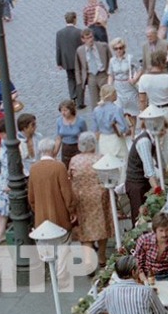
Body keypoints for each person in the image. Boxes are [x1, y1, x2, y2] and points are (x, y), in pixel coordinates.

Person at [28, 138, 76, 288]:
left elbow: (31, 197)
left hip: (41, 216)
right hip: (59, 214)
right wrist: (71, 210)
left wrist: (37, 210)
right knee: (63, 245)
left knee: (47, 244)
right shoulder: (59, 167)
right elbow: (67, 193)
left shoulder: (34, 169)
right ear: (53, 150)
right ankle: (61, 275)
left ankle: (51, 271)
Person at [69, 131, 112, 266]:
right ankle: (102, 257)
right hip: (99, 197)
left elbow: (70, 178)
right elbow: (108, 177)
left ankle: (88, 261)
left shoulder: (74, 160)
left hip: (81, 198)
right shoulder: (100, 158)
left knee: (85, 229)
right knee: (102, 226)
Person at [137, 49, 168, 165]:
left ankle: (160, 167)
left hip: (153, 111)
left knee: (157, 141)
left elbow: (142, 99)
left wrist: (142, 115)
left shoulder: (144, 78)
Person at [133, 211, 168, 283]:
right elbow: (137, 264)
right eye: (161, 230)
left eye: (167, 230)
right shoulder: (144, 240)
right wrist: (145, 281)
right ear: (155, 230)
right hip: (148, 275)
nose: (164, 234)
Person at [106, 39, 140, 131]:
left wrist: (135, 79)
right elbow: (110, 75)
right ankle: (126, 128)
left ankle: (133, 132)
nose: (118, 50)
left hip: (128, 86)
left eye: (120, 48)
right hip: (118, 87)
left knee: (132, 111)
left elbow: (140, 69)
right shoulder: (112, 61)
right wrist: (109, 87)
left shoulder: (130, 58)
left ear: (124, 48)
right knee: (120, 110)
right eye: (116, 49)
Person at [55, 12, 85, 110]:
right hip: (78, 60)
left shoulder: (59, 33)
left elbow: (58, 48)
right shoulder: (79, 32)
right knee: (79, 79)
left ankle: (73, 96)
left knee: (70, 78)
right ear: (75, 19)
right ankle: (80, 101)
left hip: (66, 61)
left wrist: (59, 62)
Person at [76, 29, 110, 111]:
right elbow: (77, 67)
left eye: (91, 37)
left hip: (103, 75)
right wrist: (79, 81)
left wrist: (110, 74)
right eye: (87, 38)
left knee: (107, 98)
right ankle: (97, 116)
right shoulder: (80, 50)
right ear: (83, 39)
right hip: (91, 77)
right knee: (94, 102)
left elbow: (110, 60)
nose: (90, 40)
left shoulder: (103, 46)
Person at [91, 85, 128, 159]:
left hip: (103, 139)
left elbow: (95, 129)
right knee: (121, 161)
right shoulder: (116, 109)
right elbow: (123, 128)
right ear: (111, 95)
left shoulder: (96, 110)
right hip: (115, 139)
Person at [53, 99, 87, 166]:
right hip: (66, 148)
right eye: (61, 110)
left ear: (71, 110)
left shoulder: (80, 121)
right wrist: (54, 153)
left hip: (77, 147)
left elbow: (85, 137)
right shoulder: (59, 121)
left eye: (65, 110)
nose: (63, 113)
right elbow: (59, 138)